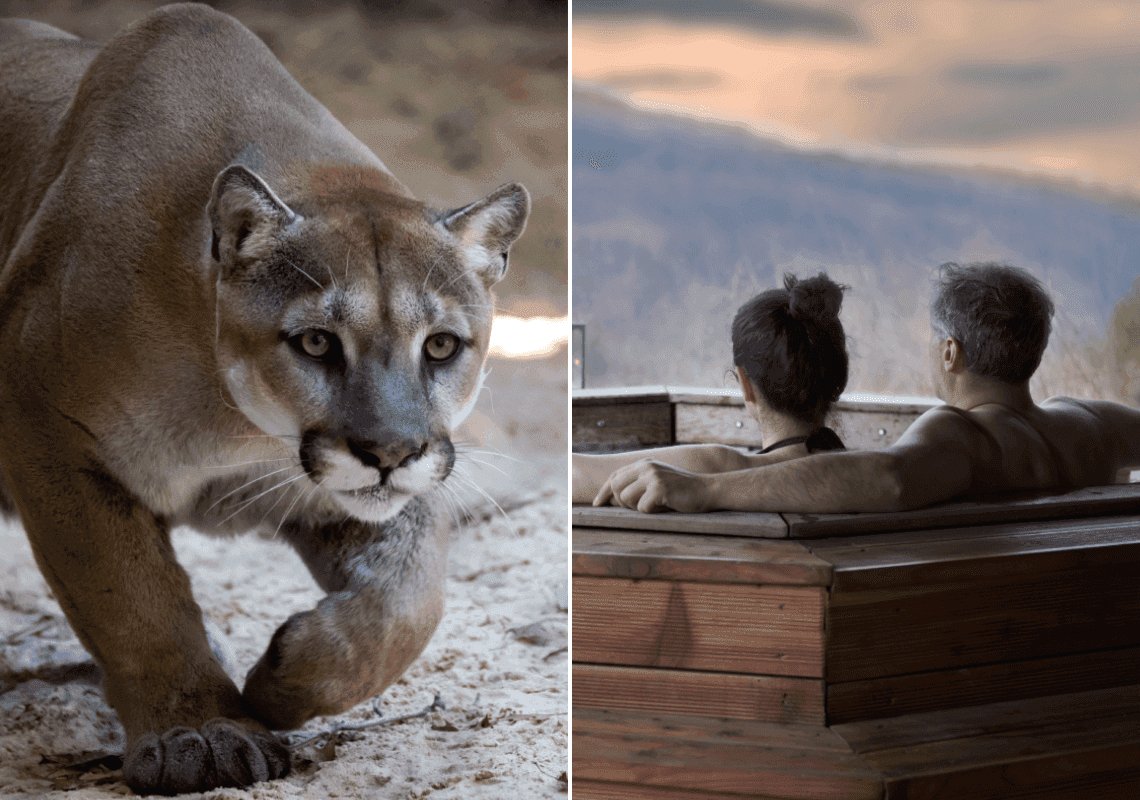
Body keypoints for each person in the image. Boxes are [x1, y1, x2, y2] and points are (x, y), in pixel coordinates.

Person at [594, 262, 1140, 514]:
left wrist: (705, 491)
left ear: (951, 351)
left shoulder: (962, 435)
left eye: (933, 339)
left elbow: (890, 479)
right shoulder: (1093, 424)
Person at [573, 272, 850, 505]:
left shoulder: (710, 468)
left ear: (746, 385)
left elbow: (575, 474)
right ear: (840, 379)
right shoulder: (871, 478)